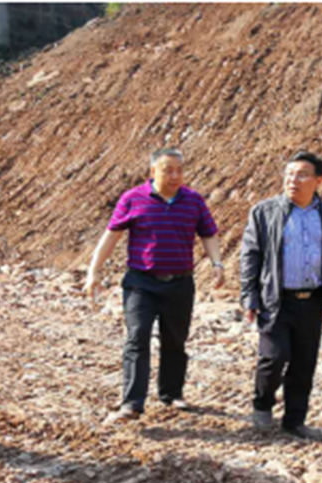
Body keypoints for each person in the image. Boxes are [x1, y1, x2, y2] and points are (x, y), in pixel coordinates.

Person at [85, 148, 224, 422]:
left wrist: (217, 263)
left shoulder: (193, 200)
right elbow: (111, 236)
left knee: (175, 340)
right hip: (141, 283)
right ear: (152, 172)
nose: (175, 176)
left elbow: (209, 234)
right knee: (137, 338)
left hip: (180, 283)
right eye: (167, 170)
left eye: (179, 170)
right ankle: (131, 403)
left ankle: (171, 394)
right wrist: (94, 272)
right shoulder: (132, 198)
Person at [240, 151, 322, 440]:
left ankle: (294, 420)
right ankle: (262, 405)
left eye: (302, 175)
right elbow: (250, 256)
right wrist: (249, 296)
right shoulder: (264, 212)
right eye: (289, 174)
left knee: (304, 363)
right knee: (274, 357)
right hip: (276, 299)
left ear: (318, 180)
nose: (293, 180)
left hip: (313, 300)